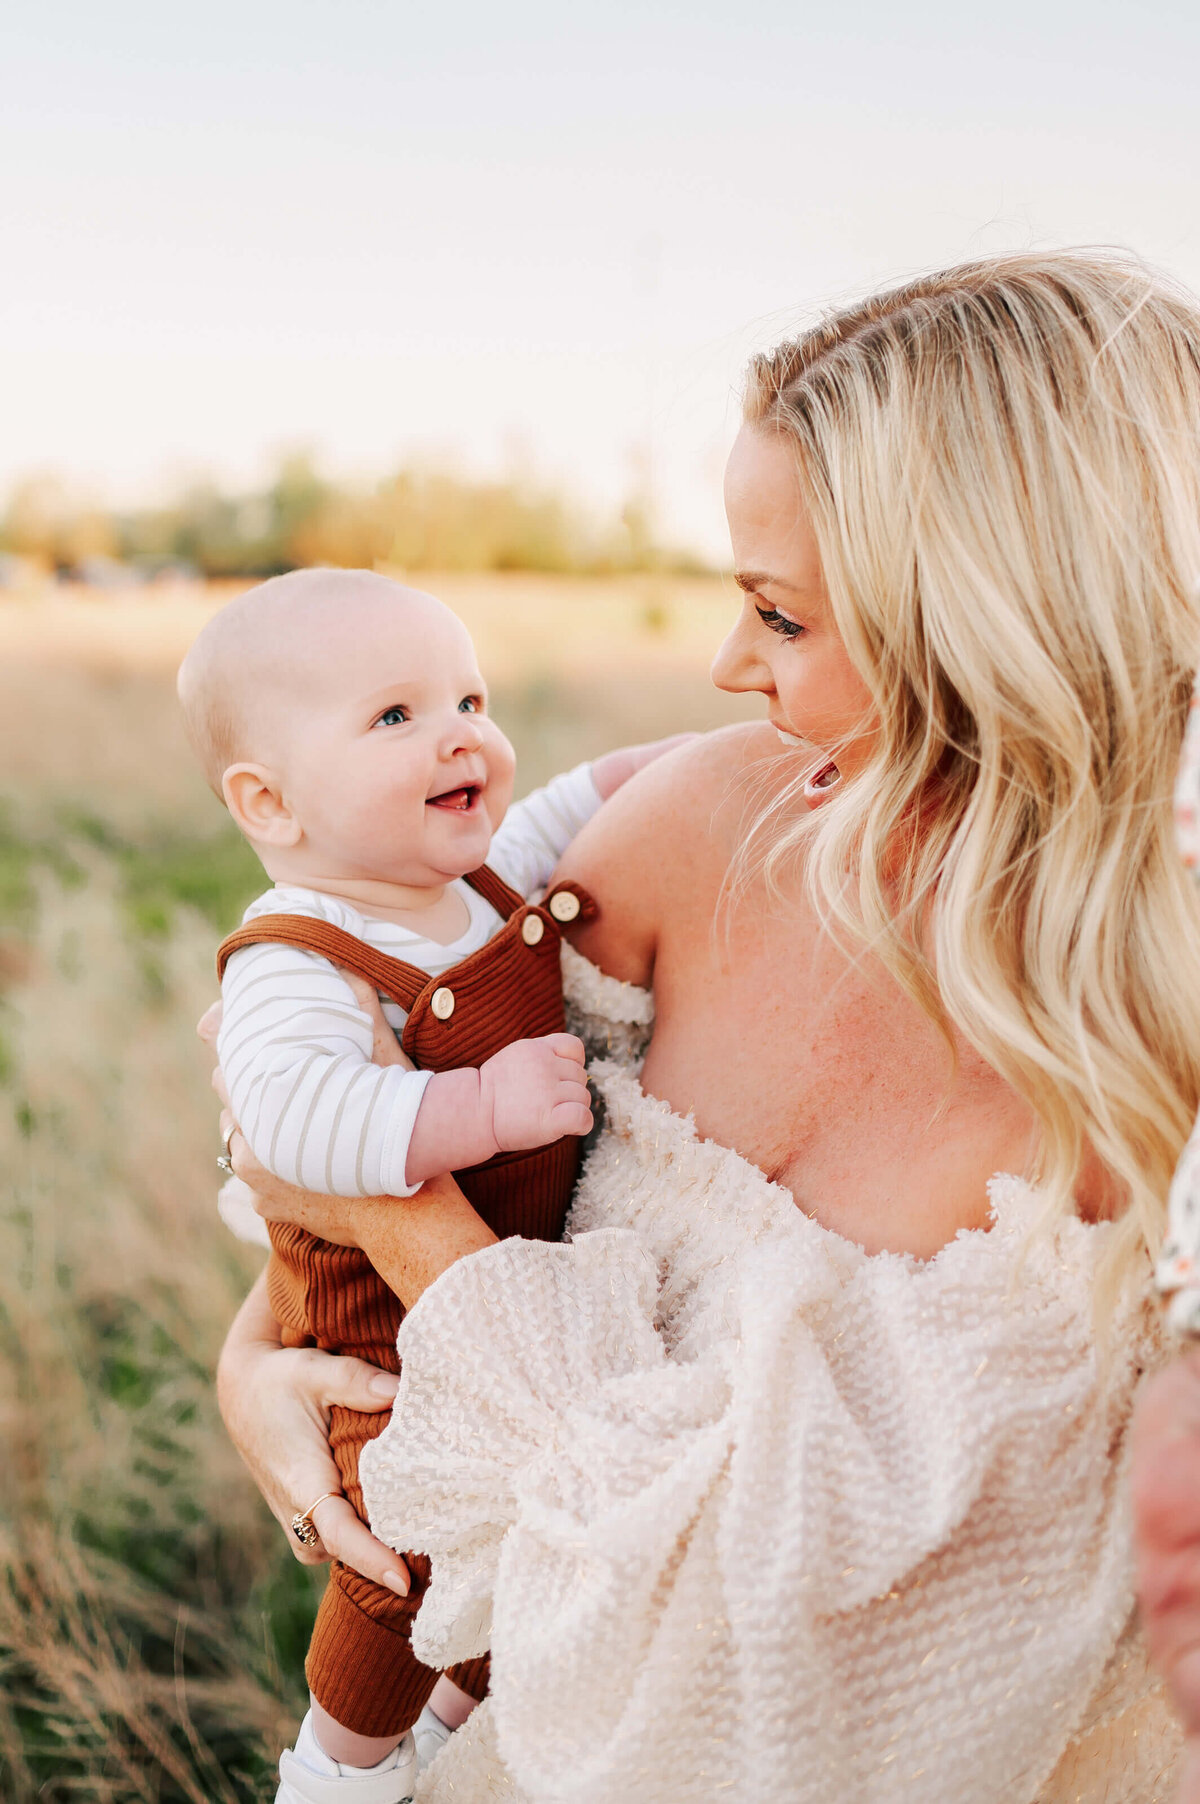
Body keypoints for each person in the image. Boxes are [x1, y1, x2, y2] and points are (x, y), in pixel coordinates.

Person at [213, 251, 1200, 1802]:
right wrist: (259, 1363)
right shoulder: (704, 818)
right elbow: (366, 1126)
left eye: (780, 615)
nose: (730, 665)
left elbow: (769, 1665)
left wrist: (400, 1232)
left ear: (990, 613)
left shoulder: (1156, 1066)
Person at [178, 570, 682, 1802]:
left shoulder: (461, 879)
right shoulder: (297, 950)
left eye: (470, 696)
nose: (462, 732)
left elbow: (563, 807)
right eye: (396, 716)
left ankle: (459, 1727)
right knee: (396, 1557)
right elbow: (286, 1122)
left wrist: (659, 773)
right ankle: (336, 1765)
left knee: (508, 1560)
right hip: (376, 1335)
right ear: (270, 802)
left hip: (498, 1293)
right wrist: (478, 1110)